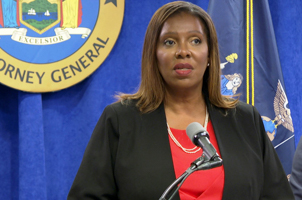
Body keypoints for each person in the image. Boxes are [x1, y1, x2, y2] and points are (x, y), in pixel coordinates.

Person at [67, 1, 294, 199]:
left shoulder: (245, 120)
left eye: (195, 41)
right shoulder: (121, 120)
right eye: (169, 42)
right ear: (153, 55)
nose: (183, 51)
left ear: (209, 55)